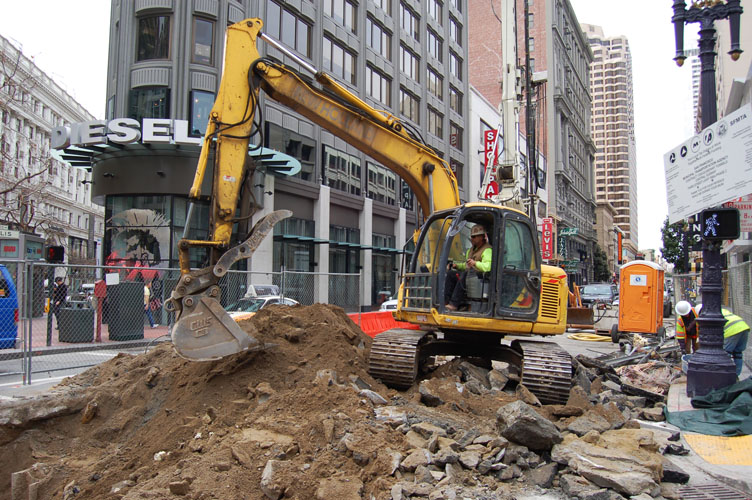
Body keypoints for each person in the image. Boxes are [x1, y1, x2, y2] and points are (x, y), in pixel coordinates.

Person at [445, 224, 492, 311]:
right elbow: (466, 265)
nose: (472, 238)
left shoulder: (487, 250)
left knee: (465, 275)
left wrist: (475, 263)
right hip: (469, 276)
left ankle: (454, 304)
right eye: (471, 236)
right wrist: (457, 266)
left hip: (480, 278)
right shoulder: (471, 250)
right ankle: (446, 301)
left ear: (481, 237)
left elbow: (488, 267)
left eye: (474, 236)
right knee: (452, 274)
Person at [697, 304, 749, 378]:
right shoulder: (720, 310)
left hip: (732, 330)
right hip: (743, 327)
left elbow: (711, 332)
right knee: (738, 353)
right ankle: (736, 375)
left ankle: (724, 376)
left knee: (725, 355)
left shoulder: (709, 314)